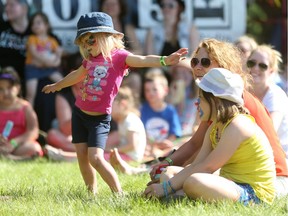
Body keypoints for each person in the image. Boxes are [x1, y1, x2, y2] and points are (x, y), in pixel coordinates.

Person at [41, 12, 188, 194]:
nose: (88, 46)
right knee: (82, 157)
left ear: (107, 37)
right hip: (79, 113)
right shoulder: (89, 60)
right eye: (84, 42)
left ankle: (118, 194)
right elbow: (76, 75)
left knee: (95, 158)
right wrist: (57, 85)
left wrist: (165, 60)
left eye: (91, 40)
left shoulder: (119, 57)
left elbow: (142, 60)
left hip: (98, 120)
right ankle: (90, 193)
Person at [149, 38, 288, 198]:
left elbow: (205, 163)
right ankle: (175, 194)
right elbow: (196, 147)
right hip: (234, 176)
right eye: (194, 61)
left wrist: (168, 186)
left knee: (192, 181)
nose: (198, 67)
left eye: (205, 62)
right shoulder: (216, 112)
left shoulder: (236, 106)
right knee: (174, 174)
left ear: (223, 66)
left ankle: (176, 193)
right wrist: (167, 165)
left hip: (274, 179)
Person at [144, 68, 276, 205]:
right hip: (230, 182)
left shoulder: (238, 125)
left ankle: (177, 195)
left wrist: (165, 188)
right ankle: (179, 196)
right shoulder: (214, 127)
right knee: (169, 172)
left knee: (193, 181)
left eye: (200, 98)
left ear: (215, 101)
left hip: (254, 193)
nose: (197, 103)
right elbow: (197, 165)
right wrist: (167, 185)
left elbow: (207, 167)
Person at [247, 44, 288, 159]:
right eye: (252, 63)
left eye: (262, 66)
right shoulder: (243, 91)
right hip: (254, 153)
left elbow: (270, 131)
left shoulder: (276, 95)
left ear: (271, 71)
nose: (255, 68)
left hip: (280, 160)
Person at [0, 67, 43, 160]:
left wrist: (14, 142)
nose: (5, 92)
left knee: (34, 148)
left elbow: (33, 131)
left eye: (9, 88)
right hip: (1, 145)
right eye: (1, 89)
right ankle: (14, 158)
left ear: (18, 88)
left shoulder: (25, 107)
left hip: (18, 146)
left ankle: (9, 157)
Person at [25, 12, 63, 107]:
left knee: (64, 83)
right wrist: (47, 62)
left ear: (46, 25)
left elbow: (59, 54)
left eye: (38, 23)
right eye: (33, 24)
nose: (35, 26)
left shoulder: (52, 40)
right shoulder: (32, 38)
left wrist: (53, 62)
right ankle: (29, 116)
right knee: (30, 94)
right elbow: (34, 53)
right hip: (33, 68)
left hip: (48, 68)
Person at [141, 71, 182, 159]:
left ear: (165, 90)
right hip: (148, 145)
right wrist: (153, 144)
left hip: (165, 146)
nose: (150, 93)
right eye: (147, 90)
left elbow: (174, 133)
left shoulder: (170, 111)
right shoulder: (142, 110)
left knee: (177, 147)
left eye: (154, 89)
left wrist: (167, 142)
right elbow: (141, 133)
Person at [107, 86, 146, 162]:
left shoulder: (130, 120)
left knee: (99, 157)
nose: (109, 108)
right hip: (125, 155)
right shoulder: (122, 120)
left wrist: (111, 150)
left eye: (111, 104)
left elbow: (132, 145)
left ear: (123, 104)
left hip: (131, 157)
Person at [0, 0, 31, 96]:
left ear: (24, 8)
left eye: (12, 5)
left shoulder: (36, 29)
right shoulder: (2, 28)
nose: (7, 8)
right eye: (6, 5)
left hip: (29, 80)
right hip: (3, 80)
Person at [167, 59, 200, 136]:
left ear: (192, 75)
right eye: (178, 73)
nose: (182, 76)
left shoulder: (198, 94)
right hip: (172, 133)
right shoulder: (169, 92)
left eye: (185, 72)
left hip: (188, 133)